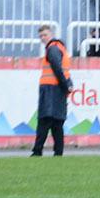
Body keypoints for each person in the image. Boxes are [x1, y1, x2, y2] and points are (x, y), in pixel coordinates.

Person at [31, 23, 72, 156]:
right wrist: (67, 85)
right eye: (41, 36)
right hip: (58, 88)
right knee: (57, 122)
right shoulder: (60, 48)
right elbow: (64, 71)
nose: (43, 38)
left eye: (45, 35)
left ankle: (37, 151)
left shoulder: (52, 49)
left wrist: (65, 85)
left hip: (51, 89)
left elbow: (57, 68)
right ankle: (58, 152)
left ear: (52, 35)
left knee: (44, 121)